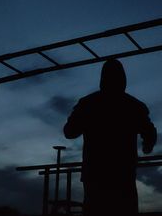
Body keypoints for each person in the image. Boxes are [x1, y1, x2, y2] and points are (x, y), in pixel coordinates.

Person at [63, 59, 157, 216]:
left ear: (102, 79)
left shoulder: (88, 104)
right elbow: (150, 133)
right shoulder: (134, 106)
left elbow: (69, 132)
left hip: (95, 175)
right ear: (123, 79)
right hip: (123, 175)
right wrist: (147, 146)